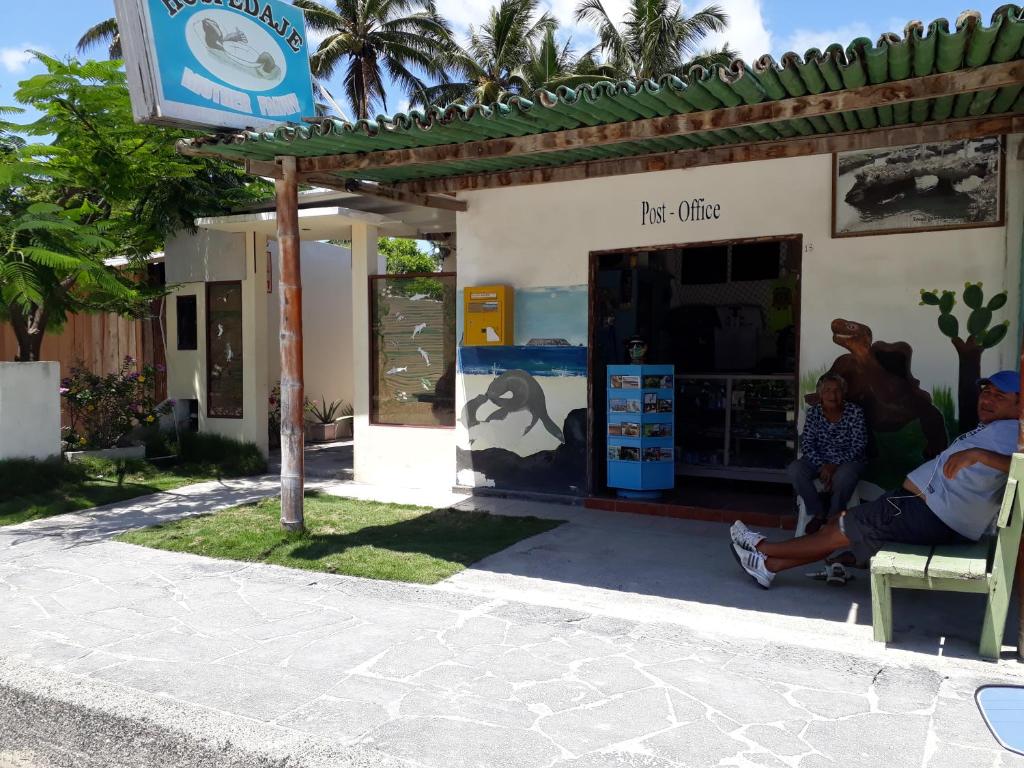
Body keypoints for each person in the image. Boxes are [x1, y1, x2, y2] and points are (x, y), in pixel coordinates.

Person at [730, 370, 1020, 589]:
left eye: (999, 396)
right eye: (986, 392)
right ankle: (769, 566)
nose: (987, 399)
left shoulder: (1013, 432)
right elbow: (810, 443)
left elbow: (858, 446)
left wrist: (980, 455)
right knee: (838, 522)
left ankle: (761, 547)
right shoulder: (999, 429)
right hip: (921, 509)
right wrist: (821, 463)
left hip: (930, 514)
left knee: (841, 526)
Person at [789, 373, 868, 534]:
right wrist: (823, 466)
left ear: (844, 393)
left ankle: (833, 516)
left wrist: (834, 465)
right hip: (819, 460)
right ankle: (818, 512)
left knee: (845, 476)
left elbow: (859, 445)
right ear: (820, 394)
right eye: (827, 391)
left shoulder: (855, 412)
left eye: (837, 391)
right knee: (795, 470)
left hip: (848, 461)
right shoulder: (814, 413)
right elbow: (808, 444)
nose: (832, 395)